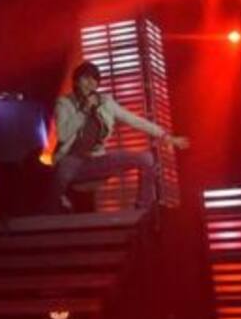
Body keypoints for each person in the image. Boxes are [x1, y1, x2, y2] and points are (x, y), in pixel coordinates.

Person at [48, 61, 190, 212]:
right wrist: (84, 111)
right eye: (86, 78)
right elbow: (63, 135)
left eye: (94, 80)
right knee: (63, 170)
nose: (90, 83)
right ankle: (50, 211)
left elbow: (134, 120)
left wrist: (165, 136)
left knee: (146, 159)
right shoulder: (64, 103)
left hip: (97, 160)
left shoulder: (105, 103)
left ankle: (143, 209)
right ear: (76, 81)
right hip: (72, 161)